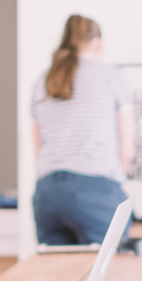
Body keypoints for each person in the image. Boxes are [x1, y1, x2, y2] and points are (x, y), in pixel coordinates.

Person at [32, 15, 134, 244]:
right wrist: (115, 184)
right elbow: (126, 150)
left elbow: (38, 150)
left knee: (57, 274)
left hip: (48, 193)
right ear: (98, 43)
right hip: (96, 188)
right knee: (109, 272)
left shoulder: (42, 81)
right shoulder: (112, 77)